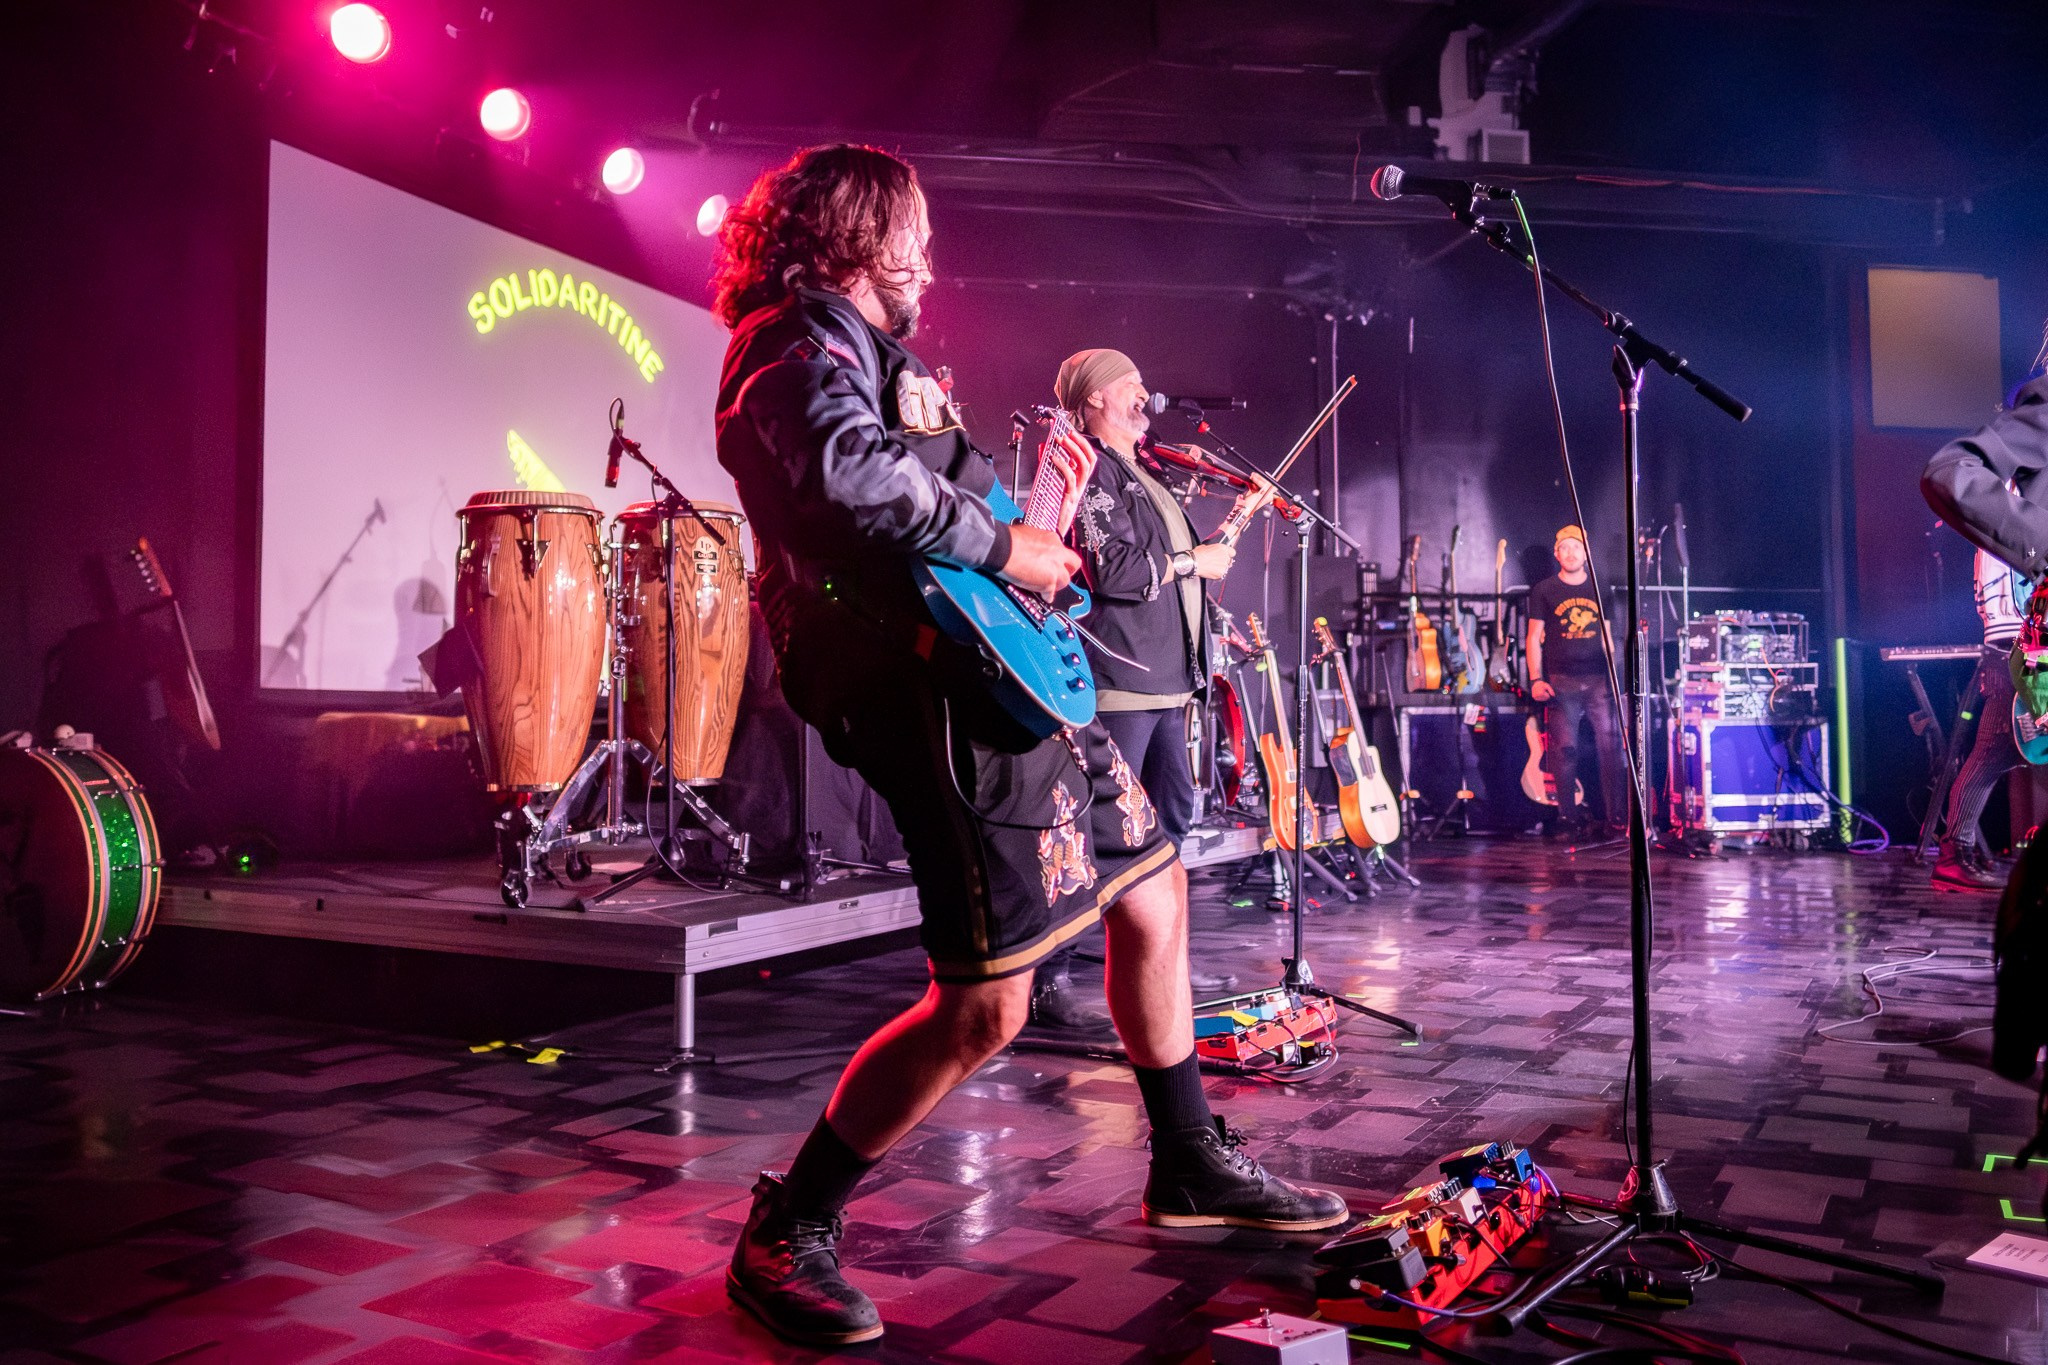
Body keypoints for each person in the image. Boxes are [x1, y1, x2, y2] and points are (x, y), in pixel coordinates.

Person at [710, 144, 1347, 1348]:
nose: (927, 259)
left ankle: (1189, 1160)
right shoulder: (789, 349)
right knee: (985, 1008)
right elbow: (850, 479)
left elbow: (927, 494)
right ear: (854, 236)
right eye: (911, 235)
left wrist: (1010, 558)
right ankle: (786, 1226)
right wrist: (1009, 554)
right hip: (933, 703)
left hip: (994, 681)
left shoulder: (864, 356)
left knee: (1153, 888)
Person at [1025, 349, 1235, 1029]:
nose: (1146, 394)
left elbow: (1166, 572)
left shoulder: (1144, 474)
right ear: (1091, 402)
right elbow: (1114, 571)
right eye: (1129, 386)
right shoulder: (1087, 468)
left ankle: (1152, 958)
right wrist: (1188, 560)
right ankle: (1050, 973)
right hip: (1122, 683)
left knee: (1171, 826)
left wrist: (1203, 568)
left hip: (1167, 683)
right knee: (1096, 831)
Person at [1931, 548, 2026, 890]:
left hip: (2017, 645)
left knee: (1995, 753)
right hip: (2017, 646)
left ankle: (1955, 854)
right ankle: (1954, 855)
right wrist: (2007, 652)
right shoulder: (2010, 510)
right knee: (1993, 752)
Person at [1524, 525, 1625, 835]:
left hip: (1598, 679)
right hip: (1561, 678)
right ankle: (1567, 817)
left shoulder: (1600, 587)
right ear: (1557, 554)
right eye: (1564, 548)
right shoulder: (1545, 590)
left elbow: (1608, 634)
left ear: (1585, 553)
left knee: (1610, 746)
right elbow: (1533, 638)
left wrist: (1616, 673)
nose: (1570, 553)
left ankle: (1616, 817)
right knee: (1564, 748)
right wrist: (1536, 678)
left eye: (1576, 547)